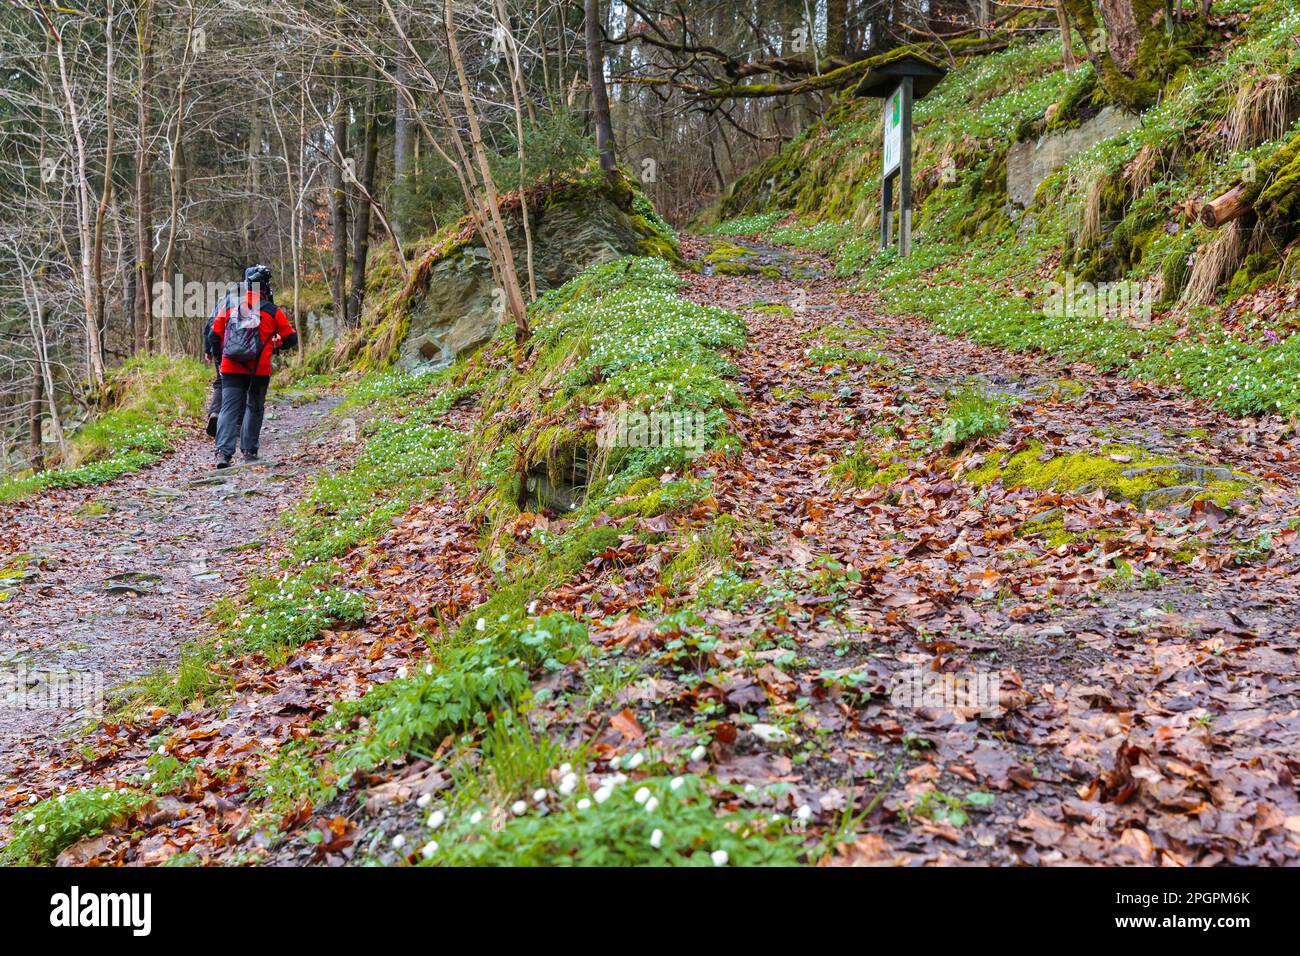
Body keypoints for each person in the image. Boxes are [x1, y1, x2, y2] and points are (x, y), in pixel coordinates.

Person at [206, 265, 298, 468]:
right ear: (265, 288)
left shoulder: (230, 306)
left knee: (229, 409)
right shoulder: (272, 310)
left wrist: (220, 357)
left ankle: (222, 454)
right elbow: (292, 338)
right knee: (254, 407)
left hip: (231, 367)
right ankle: (249, 452)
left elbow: (213, 335)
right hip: (259, 367)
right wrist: (275, 345)